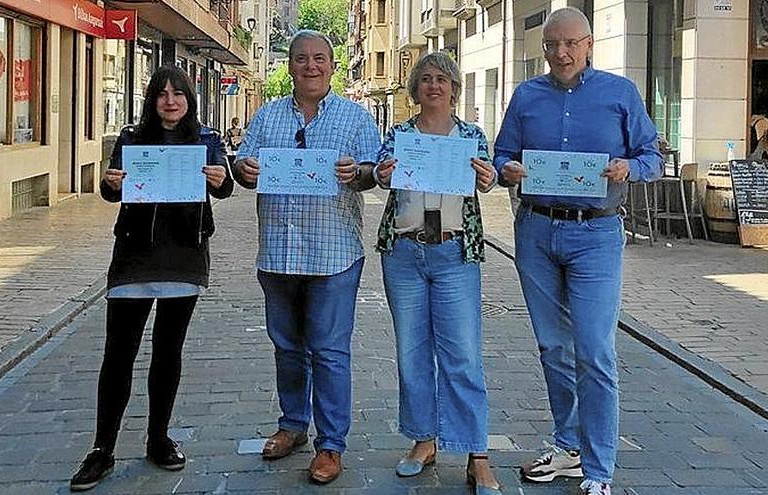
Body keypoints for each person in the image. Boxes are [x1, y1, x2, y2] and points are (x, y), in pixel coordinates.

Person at [492, 8, 662, 495]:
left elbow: (651, 154)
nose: (561, 53)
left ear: (589, 44)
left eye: (570, 44)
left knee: (594, 351)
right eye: (552, 45)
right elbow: (503, 153)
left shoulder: (620, 94)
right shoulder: (526, 96)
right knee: (552, 347)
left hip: (597, 233)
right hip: (537, 232)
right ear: (542, 48)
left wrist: (629, 168)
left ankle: (599, 468)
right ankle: (567, 445)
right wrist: (510, 169)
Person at [70, 65, 233, 491]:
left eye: (178, 93)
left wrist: (221, 178)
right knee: (118, 352)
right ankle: (102, 449)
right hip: (134, 255)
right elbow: (111, 190)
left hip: (184, 254)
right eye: (161, 94)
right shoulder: (131, 138)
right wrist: (109, 183)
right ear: (151, 100)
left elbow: (224, 187)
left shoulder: (206, 139)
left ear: (189, 99)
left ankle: (158, 438)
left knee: (167, 351)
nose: (170, 100)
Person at [231, 30, 380, 484]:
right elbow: (243, 167)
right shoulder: (267, 115)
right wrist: (245, 169)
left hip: (333, 253)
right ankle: (292, 425)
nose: (310, 66)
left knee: (330, 351)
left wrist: (359, 173)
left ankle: (331, 445)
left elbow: (376, 172)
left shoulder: (356, 118)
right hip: (278, 252)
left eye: (319, 59)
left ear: (332, 66)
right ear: (289, 66)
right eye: (301, 59)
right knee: (287, 347)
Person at [373, 52, 501, 495]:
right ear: (414, 89)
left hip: (453, 252)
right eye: (425, 79)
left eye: (442, 79)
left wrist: (488, 178)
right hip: (405, 252)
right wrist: (382, 172)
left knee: (463, 355)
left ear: (454, 88)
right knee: (411, 353)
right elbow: (379, 176)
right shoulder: (400, 134)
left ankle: (476, 454)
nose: (433, 86)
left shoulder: (470, 137)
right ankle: (424, 440)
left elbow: (488, 181)